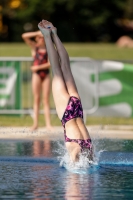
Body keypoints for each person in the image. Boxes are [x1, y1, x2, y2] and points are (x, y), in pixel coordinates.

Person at [38, 20, 93, 162]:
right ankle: (47, 35)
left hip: (77, 108)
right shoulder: (77, 150)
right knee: (57, 70)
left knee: (65, 68)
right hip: (67, 114)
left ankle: (54, 35)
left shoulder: (89, 149)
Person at [22, 30, 52, 131]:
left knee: (46, 100)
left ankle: (48, 124)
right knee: (36, 99)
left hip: (45, 74)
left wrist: (37, 68)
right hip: (37, 75)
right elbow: (24, 36)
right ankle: (35, 124)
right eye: (39, 37)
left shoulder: (48, 49)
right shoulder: (35, 47)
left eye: (42, 37)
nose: (41, 39)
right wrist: (37, 33)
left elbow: (49, 64)